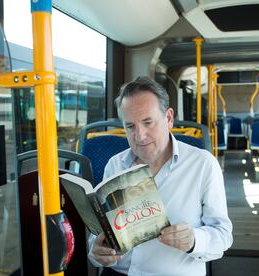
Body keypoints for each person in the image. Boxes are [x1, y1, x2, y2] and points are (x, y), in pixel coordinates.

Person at [88, 76, 233, 276]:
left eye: (148, 122)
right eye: (130, 126)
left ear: (169, 118)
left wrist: (194, 240)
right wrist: (96, 251)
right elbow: (100, 233)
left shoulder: (202, 164)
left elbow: (223, 235)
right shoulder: (115, 164)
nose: (140, 136)